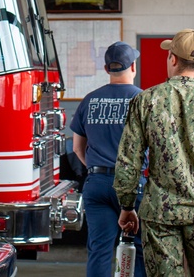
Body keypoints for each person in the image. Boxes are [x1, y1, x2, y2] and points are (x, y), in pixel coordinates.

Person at [114, 29, 194, 277]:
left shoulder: (146, 101)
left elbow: (129, 159)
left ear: (173, 59)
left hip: (160, 213)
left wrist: (127, 205)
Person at [70, 41, 147, 277]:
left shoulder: (90, 100)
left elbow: (77, 148)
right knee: (141, 247)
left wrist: (96, 170)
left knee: (99, 249)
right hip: (135, 186)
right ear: (133, 66)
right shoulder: (144, 100)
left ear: (106, 69)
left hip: (97, 184)